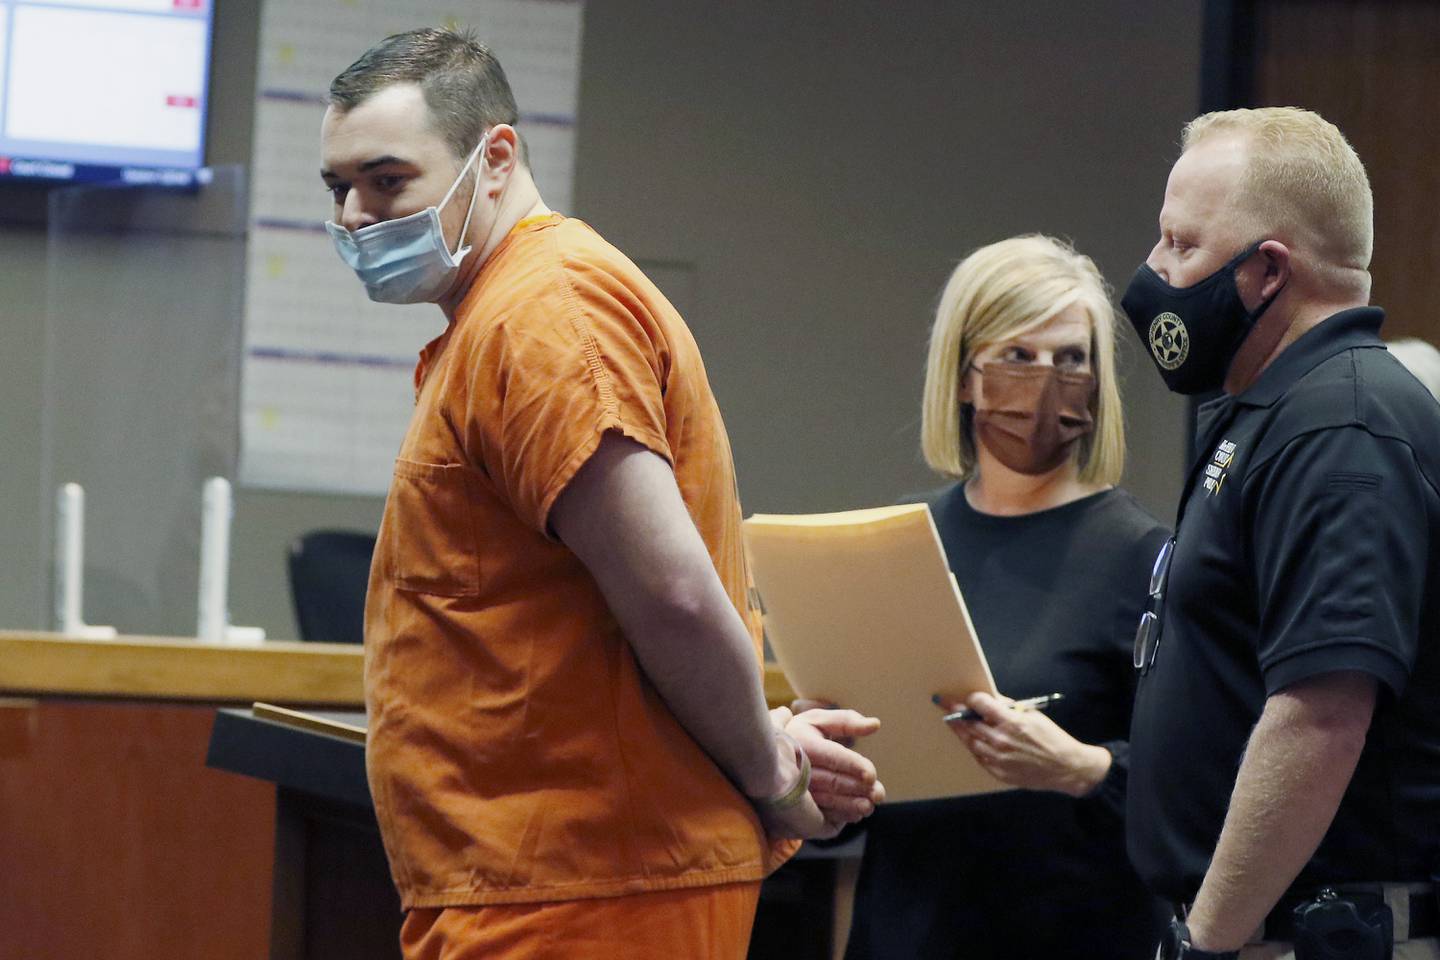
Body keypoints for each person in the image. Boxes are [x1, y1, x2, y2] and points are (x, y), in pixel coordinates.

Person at [319, 28, 885, 959]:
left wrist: (775, 778)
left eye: (387, 181)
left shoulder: (548, 314)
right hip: (541, 880)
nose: (354, 217)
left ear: (494, 159)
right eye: (339, 189)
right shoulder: (504, 314)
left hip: (583, 891)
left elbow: (671, 593)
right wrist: (764, 739)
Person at [1120, 107, 1440, 960]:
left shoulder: (1342, 427)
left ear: (1266, 271)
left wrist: (1209, 939)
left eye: (1181, 245)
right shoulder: (1276, 413)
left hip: (1307, 936)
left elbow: (1321, 714)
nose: (1152, 273)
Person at [835, 235, 1170, 959]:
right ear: (964, 377)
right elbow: (859, 798)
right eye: (1019, 356)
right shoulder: (901, 541)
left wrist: (1083, 769)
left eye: (1071, 359)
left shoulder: (1145, 556)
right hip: (907, 931)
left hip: (1071, 934)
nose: (1046, 382)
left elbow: (1199, 783)